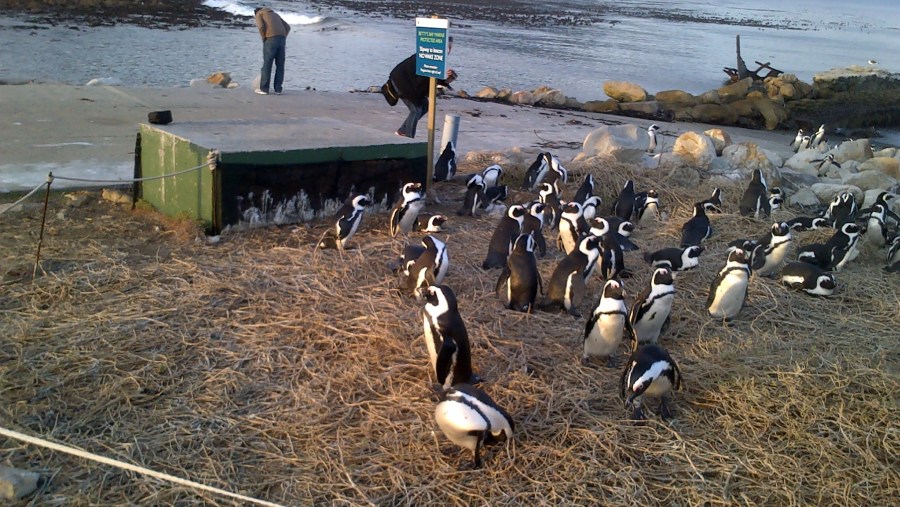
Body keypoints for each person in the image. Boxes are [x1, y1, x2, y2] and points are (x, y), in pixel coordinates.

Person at [389, 37, 456, 138]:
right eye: (447, 47)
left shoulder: (436, 59)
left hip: (409, 83)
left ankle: (402, 131)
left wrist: (447, 80)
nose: (448, 51)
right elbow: (424, 81)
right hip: (401, 81)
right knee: (416, 109)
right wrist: (443, 82)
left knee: (424, 105)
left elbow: (431, 80)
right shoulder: (429, 56)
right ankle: (408, 138)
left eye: (450, 48)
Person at [253, 7, 291, 95]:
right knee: (280, 65)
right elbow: (288, 27)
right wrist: (282, 36)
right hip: (282, 39)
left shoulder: (259, 14)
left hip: (271, 38)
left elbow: (261, 26)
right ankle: (278, 89)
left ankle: (264, 89)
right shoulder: (275, 14)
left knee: (267, 64)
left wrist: (264, 38)